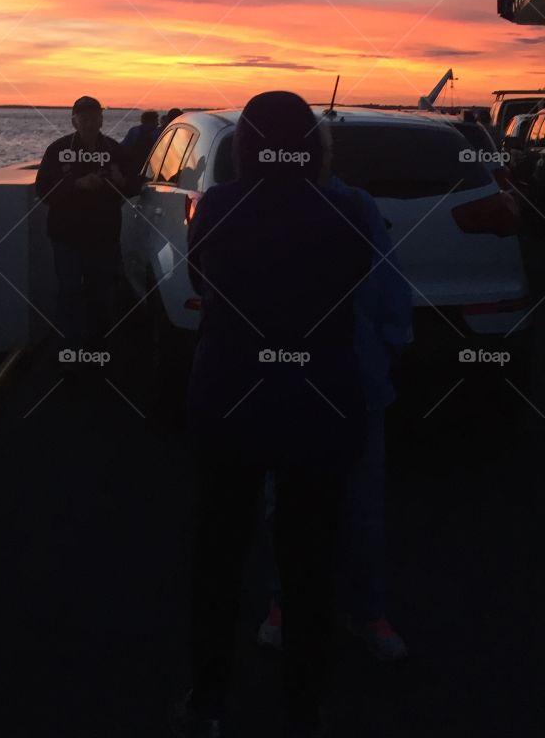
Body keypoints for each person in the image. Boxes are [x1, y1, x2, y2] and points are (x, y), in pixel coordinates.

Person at [176, 92, 372, 738]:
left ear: (245, 145)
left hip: (230, 398)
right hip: (318, 402)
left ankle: (208, 699)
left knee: (219, 552)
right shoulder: (345, 211)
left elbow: (202, 283)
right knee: (308, 559)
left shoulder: (220, 207)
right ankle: (305, 704)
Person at [256, 161, 413, 662]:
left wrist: (385, 344)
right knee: (286, 500)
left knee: (361, 505)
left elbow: (388, 280)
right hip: (289, 382)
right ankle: (285, 602)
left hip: (357, 378)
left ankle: (367, 610)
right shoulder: (261, 207)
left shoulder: (355, 205)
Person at [35, 96, 135, 360]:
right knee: (69, 293)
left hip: (104, 236)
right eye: (85, 118)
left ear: (102, 119)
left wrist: (120, 180)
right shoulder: (57, 150)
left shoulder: (115, 150)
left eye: (95, 117)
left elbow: (133, 186)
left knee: (101, 295)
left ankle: (98, 352)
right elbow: (43, 190)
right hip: (67, 236)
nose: (90, 123)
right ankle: (69, 354)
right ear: (74, 120)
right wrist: (77, 185)